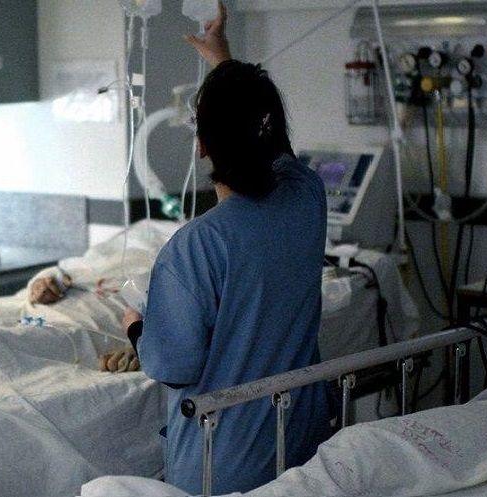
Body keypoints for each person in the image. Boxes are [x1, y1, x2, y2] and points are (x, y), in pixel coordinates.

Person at [122, 3, 331, 494]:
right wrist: (224, 62)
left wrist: (135, 328)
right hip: (302, 448)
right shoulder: (307, 197)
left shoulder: (196, 246)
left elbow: (173, 365)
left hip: (225, 464)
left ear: (201, 145)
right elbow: (274, 145)